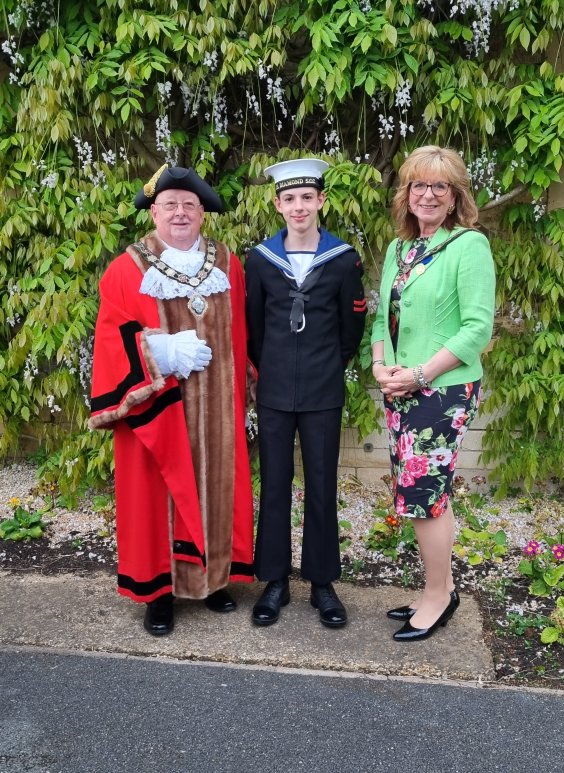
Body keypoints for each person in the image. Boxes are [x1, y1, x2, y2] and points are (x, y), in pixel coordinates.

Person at [90, 165, 254, 635]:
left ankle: (214, 579)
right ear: (154, 212)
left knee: (219, 486)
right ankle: (158, 593)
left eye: (189, 205)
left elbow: (246, 330)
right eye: (170, 206)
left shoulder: (228, 263)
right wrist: (158, 351)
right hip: (158, 408)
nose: (180, 213)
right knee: (156, 494)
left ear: (202, 212)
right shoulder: (128, 267)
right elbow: (109, 335)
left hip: (220, 407)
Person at [371, 145, 496, 642]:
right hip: (399, 387)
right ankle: (435, 589)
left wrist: (420, 374)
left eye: (438, 187)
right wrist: (381, 365)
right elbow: (382, 317)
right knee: (421, 493)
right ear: (406, 195)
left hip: (441, 388)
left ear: (454, 197)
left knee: (425, 496)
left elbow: (476, 330)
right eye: (418, 185)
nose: (427, 194)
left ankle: (439, 597)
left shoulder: (468, 246)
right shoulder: (398, 250)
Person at [245, 158, 367, 628]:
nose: (299, 206)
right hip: (274, 392)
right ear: (278, 204)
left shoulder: (343, 258)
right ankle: (273, 580)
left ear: (321, 201)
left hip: (322, 391)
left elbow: (350, 328)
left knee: (321, 485)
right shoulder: (260, 260)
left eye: (307, 198)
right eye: (289, 199)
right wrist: (272, 372)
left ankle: (322, 582)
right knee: (274, 485)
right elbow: (255, 328)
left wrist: (324, 368)